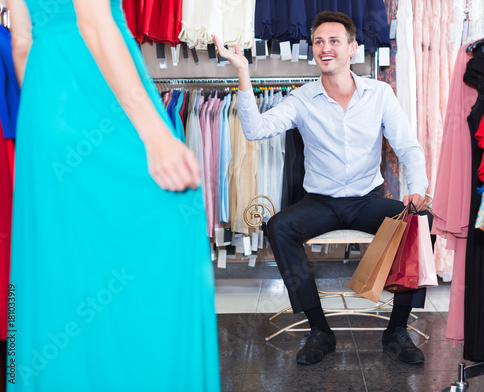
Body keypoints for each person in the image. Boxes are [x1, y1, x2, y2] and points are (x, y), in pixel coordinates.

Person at [7, 0, 220, 390]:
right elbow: (94, 21)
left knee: (62, 262)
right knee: (177, 214)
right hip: (95, 91)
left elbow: (21, 41)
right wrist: (157, 137)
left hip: (46, 100)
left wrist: (48, 120)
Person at [212, 10, 432, 366]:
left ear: (352, 48)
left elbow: (408, 147)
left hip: (366, 200)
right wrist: (242, 71)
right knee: (279, 226)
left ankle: (397, 330)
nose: (325, 48)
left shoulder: (379, 94)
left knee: (420, 221)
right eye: (318, 41)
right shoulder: (302, 99)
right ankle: (319, 330)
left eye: (333, 41)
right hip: (321, 203)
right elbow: (254, 130)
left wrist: (418, 189)